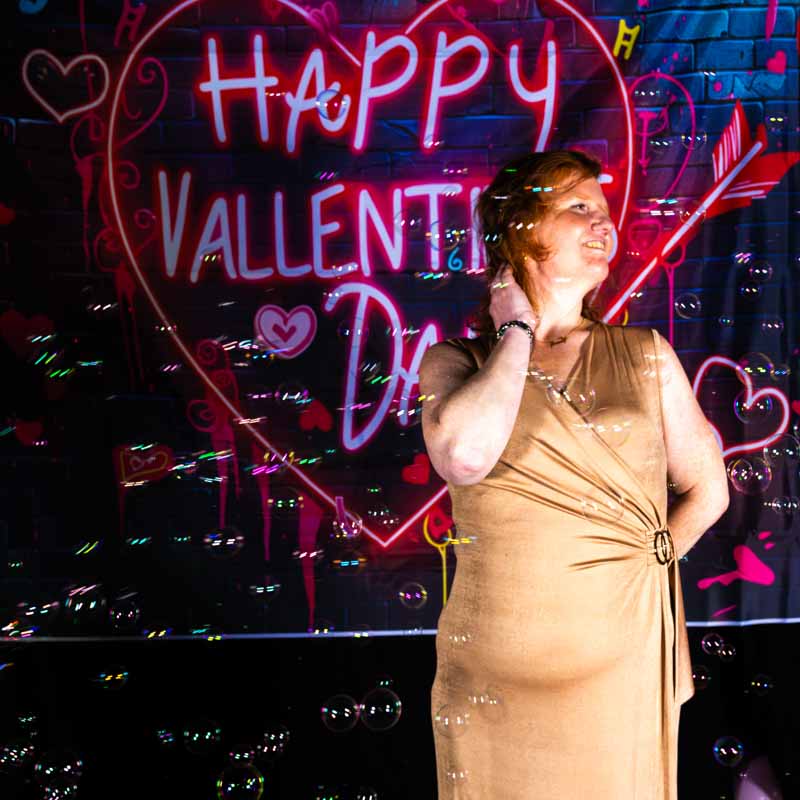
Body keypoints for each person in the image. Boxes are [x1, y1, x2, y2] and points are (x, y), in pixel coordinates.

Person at [419, 150, 730, 799]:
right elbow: (464, 456)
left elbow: (709, 490)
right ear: (521, 228)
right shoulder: (456, 361)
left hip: (620, 673)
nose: (604, 224)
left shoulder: (646, 355)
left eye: (605, 211)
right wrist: (516, 329)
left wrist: (648, 559)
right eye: (579, 207)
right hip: (492, 684)